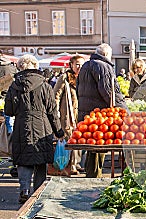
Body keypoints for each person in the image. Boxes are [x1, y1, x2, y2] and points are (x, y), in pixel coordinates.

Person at [4, 54, 64, 203]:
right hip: (42, 126)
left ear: (20, 67)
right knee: (40, 160)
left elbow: (9, 111)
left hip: (21, 126)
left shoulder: (14, 85)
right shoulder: (44, 85)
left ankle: (24, 189)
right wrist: (59, 131)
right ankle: (38, 193)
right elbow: (52, 111)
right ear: (35, 66)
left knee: (24, 160)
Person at [77, 43, 127, 178]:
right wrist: (124, 110)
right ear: (106, 55)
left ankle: (91, 178)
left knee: (92, 150)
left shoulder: (86, 66)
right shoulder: (102, 66)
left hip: (87, 114)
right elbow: (109, 92)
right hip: (99, 117)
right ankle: (94, 181)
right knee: (97, 149)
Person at [54, 54, 86, 175]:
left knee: (78, 139)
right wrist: (56, 112)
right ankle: (70, 165)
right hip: (68, 113)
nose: (79, 67)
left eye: (82, 64)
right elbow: (56, 95)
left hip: (81, 113)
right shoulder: (64, 78)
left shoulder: (84, 78)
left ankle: (77, 163)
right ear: (71, 65)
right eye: (77, 64)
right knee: (70, 138)